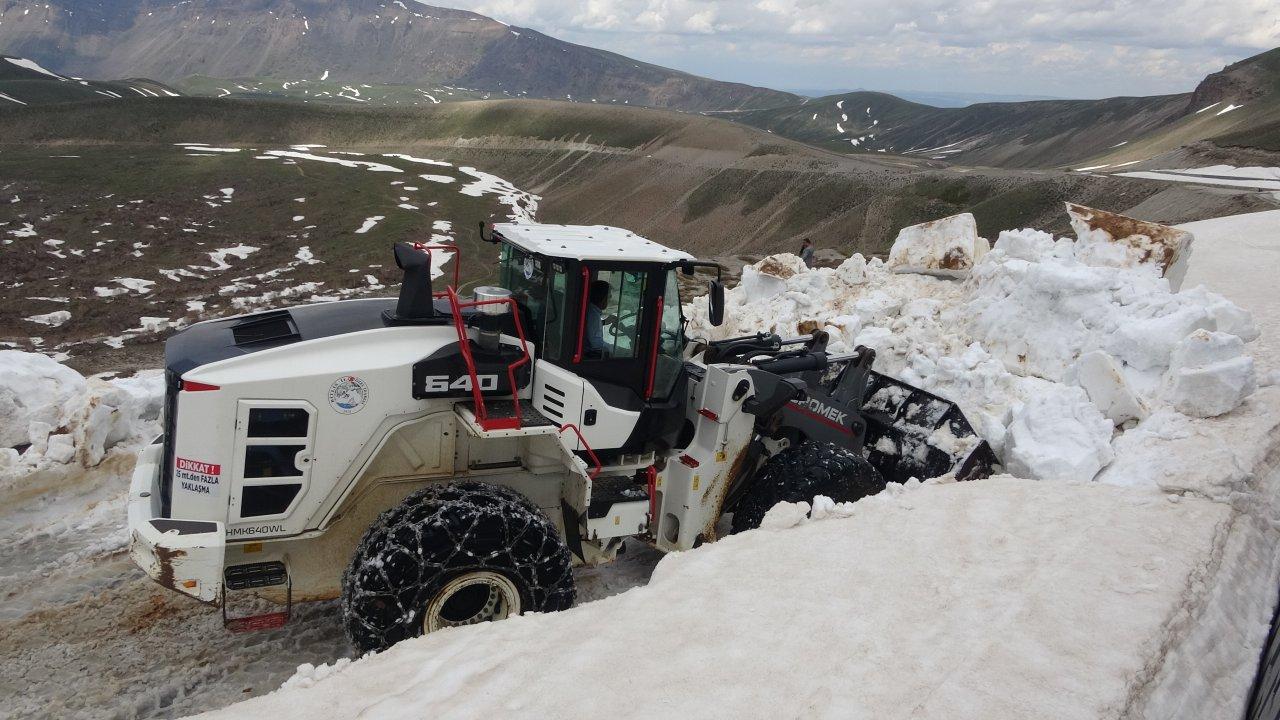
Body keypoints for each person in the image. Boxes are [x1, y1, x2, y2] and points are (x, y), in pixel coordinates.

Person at [584, 279, 610, 357]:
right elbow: (596, 344)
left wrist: (604, 322)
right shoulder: (593, 315)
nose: (610, 298)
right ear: (602, 297)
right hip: (591, 355)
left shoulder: (591, 311)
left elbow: (590, 327)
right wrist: (615, 349)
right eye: (609, 296)